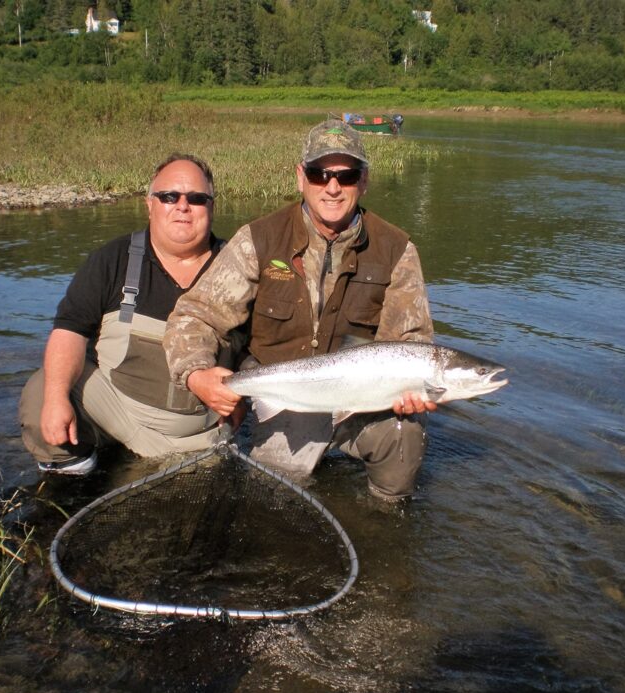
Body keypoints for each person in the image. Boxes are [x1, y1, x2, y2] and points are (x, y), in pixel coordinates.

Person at [163, 120, 437, 501]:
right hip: (283, 394)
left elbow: (410, 342)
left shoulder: (397, 249)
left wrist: (410, 392)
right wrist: (195, 374)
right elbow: (195, 316)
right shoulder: (259, 239)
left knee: (405, 434)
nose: (333, 187)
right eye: (319, 173)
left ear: (364, 181)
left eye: (347, 175)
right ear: (300, 177)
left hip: (362, 398)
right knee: (271, 495)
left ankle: (385, 517)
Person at [19, 153, 236, 475]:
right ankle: (75, 471)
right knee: (44, 393)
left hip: (200, 432)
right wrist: (56, 399)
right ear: (149, 204)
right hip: (116, 410)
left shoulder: (239, 268)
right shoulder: (111, 260)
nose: (182, 206)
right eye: (168, 196)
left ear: (212, 207)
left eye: (197, 198)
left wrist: (244, 396)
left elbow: (265, 346)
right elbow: (70, 332)